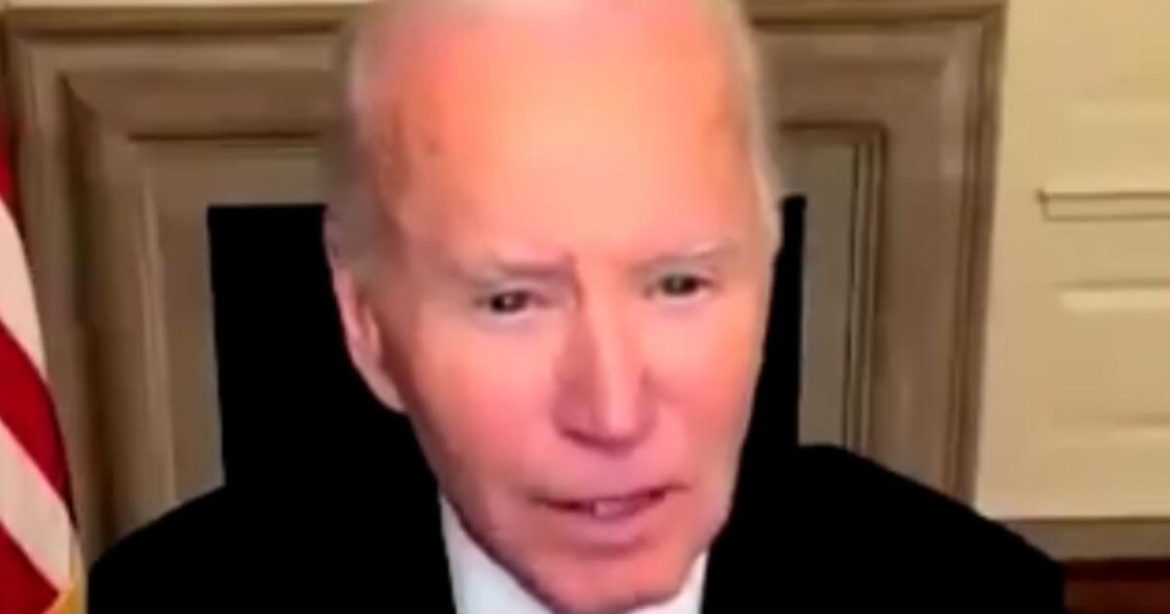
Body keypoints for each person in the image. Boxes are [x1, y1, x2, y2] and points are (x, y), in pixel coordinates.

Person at [90, 0, 1063, 612]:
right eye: (512, 300)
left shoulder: (975, 599)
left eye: (679, 284)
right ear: (368, 326)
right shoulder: (169, 603)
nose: (613, 412)